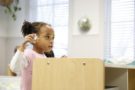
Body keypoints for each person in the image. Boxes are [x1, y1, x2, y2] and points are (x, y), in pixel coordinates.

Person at [20, 21, 54, 90]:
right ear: (34, 37)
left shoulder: (44, 56)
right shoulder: (28, 53)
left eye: (53, 38)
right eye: (47, 37)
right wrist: (22, 47)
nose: (51, 41)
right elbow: (15, 67)